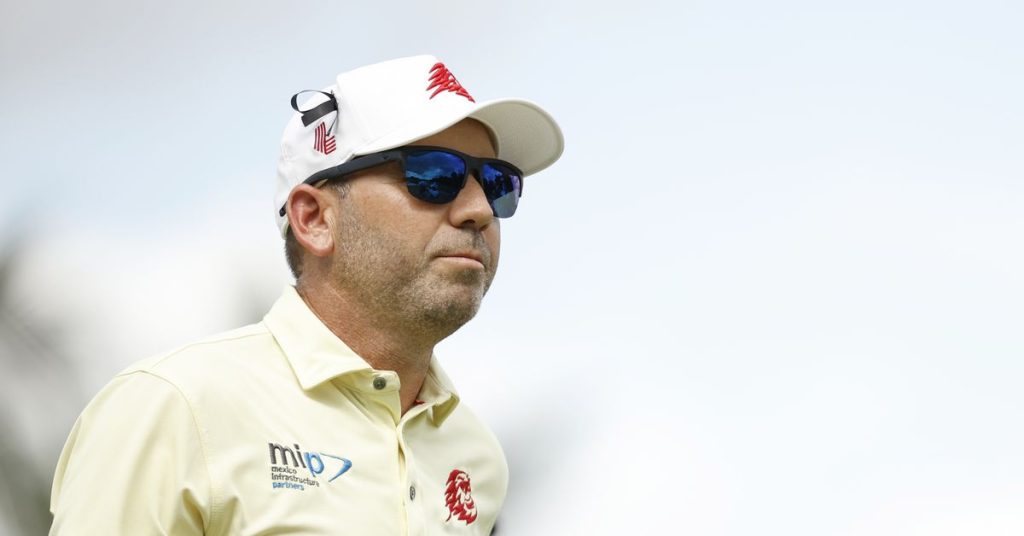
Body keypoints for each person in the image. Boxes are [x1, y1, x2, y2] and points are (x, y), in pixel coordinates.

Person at [48, 55, 563, 535]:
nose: (480, 209)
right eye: (433, 175)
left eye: (497, 183)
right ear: (314, 219)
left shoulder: (477, 458)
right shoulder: (175, 407)